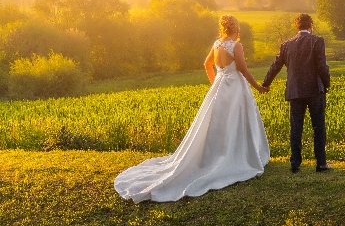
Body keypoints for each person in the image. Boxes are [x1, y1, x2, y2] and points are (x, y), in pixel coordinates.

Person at [114, 15, 270, 203]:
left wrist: (216, 84)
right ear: (236, 27)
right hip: (235, 89)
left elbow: (207, 65)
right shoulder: (236, 46)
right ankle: (237, 156)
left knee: (216, 123)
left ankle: (214, 155)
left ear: (222, 28)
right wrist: (259, 87)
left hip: (219, 89)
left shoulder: (217, 44)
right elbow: (243, 70)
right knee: (236, 121)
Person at [261, 13, 331, 173]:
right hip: (315, 90)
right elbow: (322, 65)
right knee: (318, 127)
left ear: (296, 26)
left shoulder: (287, 45)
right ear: (311, 26)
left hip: (295, 90)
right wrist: (326, 84)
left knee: (296, 127)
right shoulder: (317, 41)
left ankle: (295, 163)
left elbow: (276, 65)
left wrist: (266, 83)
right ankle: (321, 163)